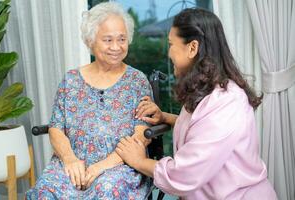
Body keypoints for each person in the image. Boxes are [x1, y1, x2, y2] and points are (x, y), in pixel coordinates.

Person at [116, 8, 277, 200]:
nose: (168, 53)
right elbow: (202, 128)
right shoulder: (208, 91)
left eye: (171, 44)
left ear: (192, 48)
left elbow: (184, 175)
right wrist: (165, 117)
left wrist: (139, 161)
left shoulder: (227, 101)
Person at [26, 2, 152, 199]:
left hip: (119, 165)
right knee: (45, 190)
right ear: (90, 41)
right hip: (73, 163)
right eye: (108, 40)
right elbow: (56, 128)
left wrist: (100, 167)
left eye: (122, 39)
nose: (116, 47)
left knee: (107, 190)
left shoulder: (137, 81)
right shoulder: (71, 80)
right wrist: (70, 160)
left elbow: (142, 135)